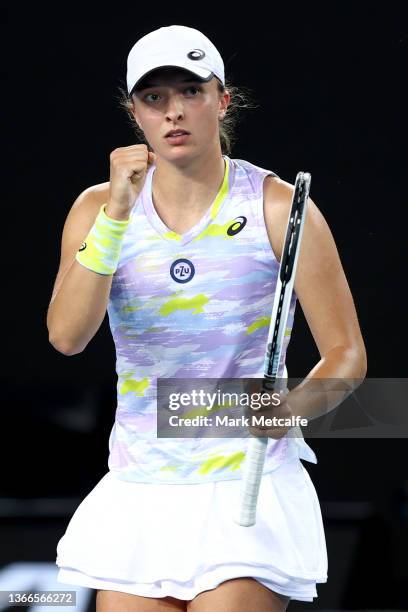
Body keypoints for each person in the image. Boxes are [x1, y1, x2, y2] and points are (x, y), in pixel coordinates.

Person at [47, 25, 367, 612]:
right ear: (134, 115)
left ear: (222, 100)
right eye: (154, 98)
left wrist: (284, 411)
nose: (173, 112)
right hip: (141, 486)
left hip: (247, 485)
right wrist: (118, 213)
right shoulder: (97, 208)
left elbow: (346, 356)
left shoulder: (278, 206)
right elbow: (68, 337)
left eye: (190, 92)